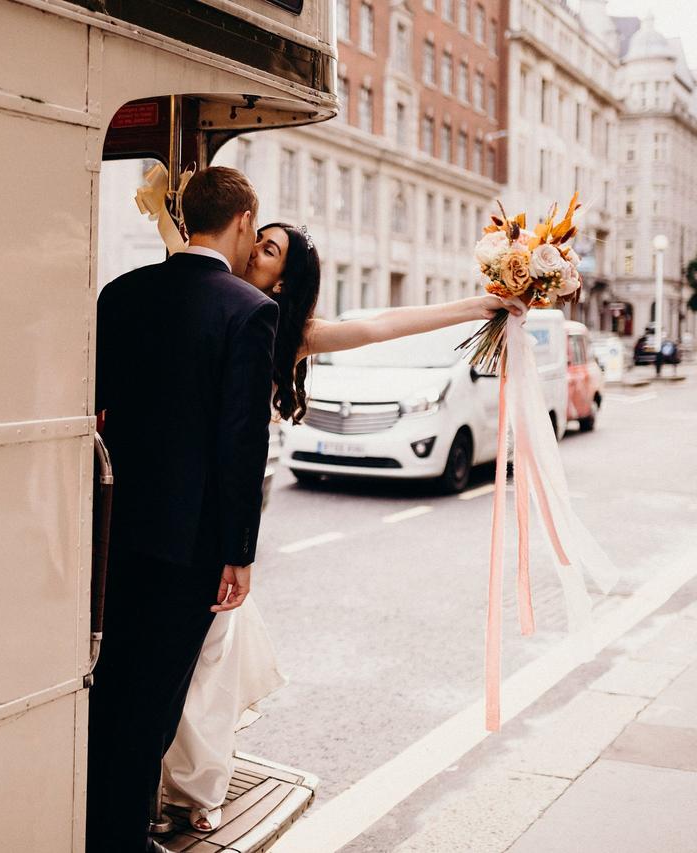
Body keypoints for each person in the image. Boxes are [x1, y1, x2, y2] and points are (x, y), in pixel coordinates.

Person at [162, 222, 527, 833]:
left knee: (209, 658)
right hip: (183, 507)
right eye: (258, 239)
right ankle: (171, 780)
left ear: (285, 281)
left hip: (227, 514)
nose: (255, 251)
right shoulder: (205, 297)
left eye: (270, 250)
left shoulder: (289, 332)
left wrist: (476, 305)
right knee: (187, 658)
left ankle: (196, 788)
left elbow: (383, 324)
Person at [88, 167, 279, 853]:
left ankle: (96, 824)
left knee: (110, 684)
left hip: (109, 527)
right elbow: (240, 441)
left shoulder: (121, 293)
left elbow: (96, 405)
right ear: (243, 219)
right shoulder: (248, 310)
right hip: (187, 543)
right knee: (156, 701)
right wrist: (239, 552)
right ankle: (119, 839)